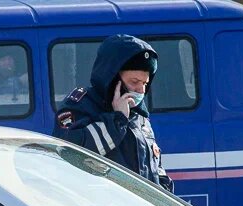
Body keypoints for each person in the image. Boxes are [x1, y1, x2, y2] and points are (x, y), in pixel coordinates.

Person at [52, 34, 172, 191]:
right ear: (112, 78)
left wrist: (165, 194)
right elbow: (69, 153)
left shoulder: (139, 116)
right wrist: (117, 120)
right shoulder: (80, 106)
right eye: (134, 82)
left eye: (145, 83)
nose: (141, 90)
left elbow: (154, 168)